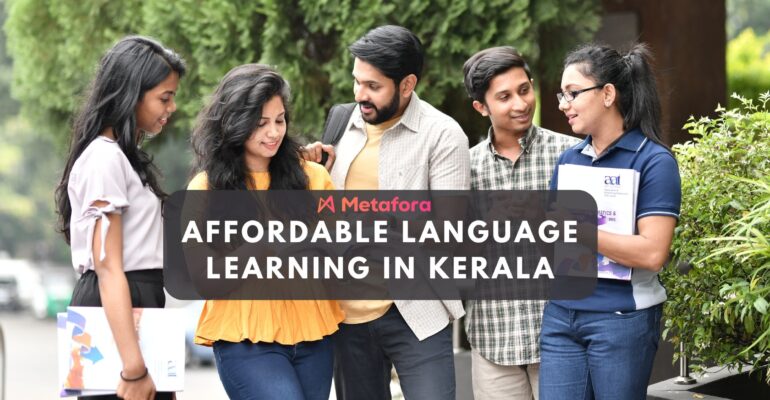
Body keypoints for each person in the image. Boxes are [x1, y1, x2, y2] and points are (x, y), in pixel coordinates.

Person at [304, 25, 470, 400]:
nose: (361, 95)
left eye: (373, 86)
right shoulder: (340, 122)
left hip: (417, 311)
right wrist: (314, 175)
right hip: (345, 316)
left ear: (407, 84)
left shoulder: (443, 135)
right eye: (356, 82)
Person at [188, 64, 345, 400]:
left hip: (314, 336)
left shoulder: (314, 178)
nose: (274, 132)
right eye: (260, 124)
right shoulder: (205, 190)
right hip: (246, 340)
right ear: (234, 123)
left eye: (279, 120)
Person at [540, 43, 681, 399]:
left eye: (572, 93)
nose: (562, 104)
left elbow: (652, 253)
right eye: (561, 94)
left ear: (607, 94)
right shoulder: (569, 160)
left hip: (621, 319)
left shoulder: (654, 161)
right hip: (561, 316)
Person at [55, 36, 185, 400]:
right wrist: (134, 369)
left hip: (137, 304)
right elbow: (108, 267)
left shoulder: (122, 158)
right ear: (132, 92)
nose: (172, 107)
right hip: (117, 307)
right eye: (165, 96)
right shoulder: (104, 159)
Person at [462, 46, 580, 400]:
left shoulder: (571, 155)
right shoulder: (464, 169)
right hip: (492, 340)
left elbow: (592, 245)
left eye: (524, 90)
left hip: (561, 341)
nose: (520, 103)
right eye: (505, 96)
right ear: (481, 107)